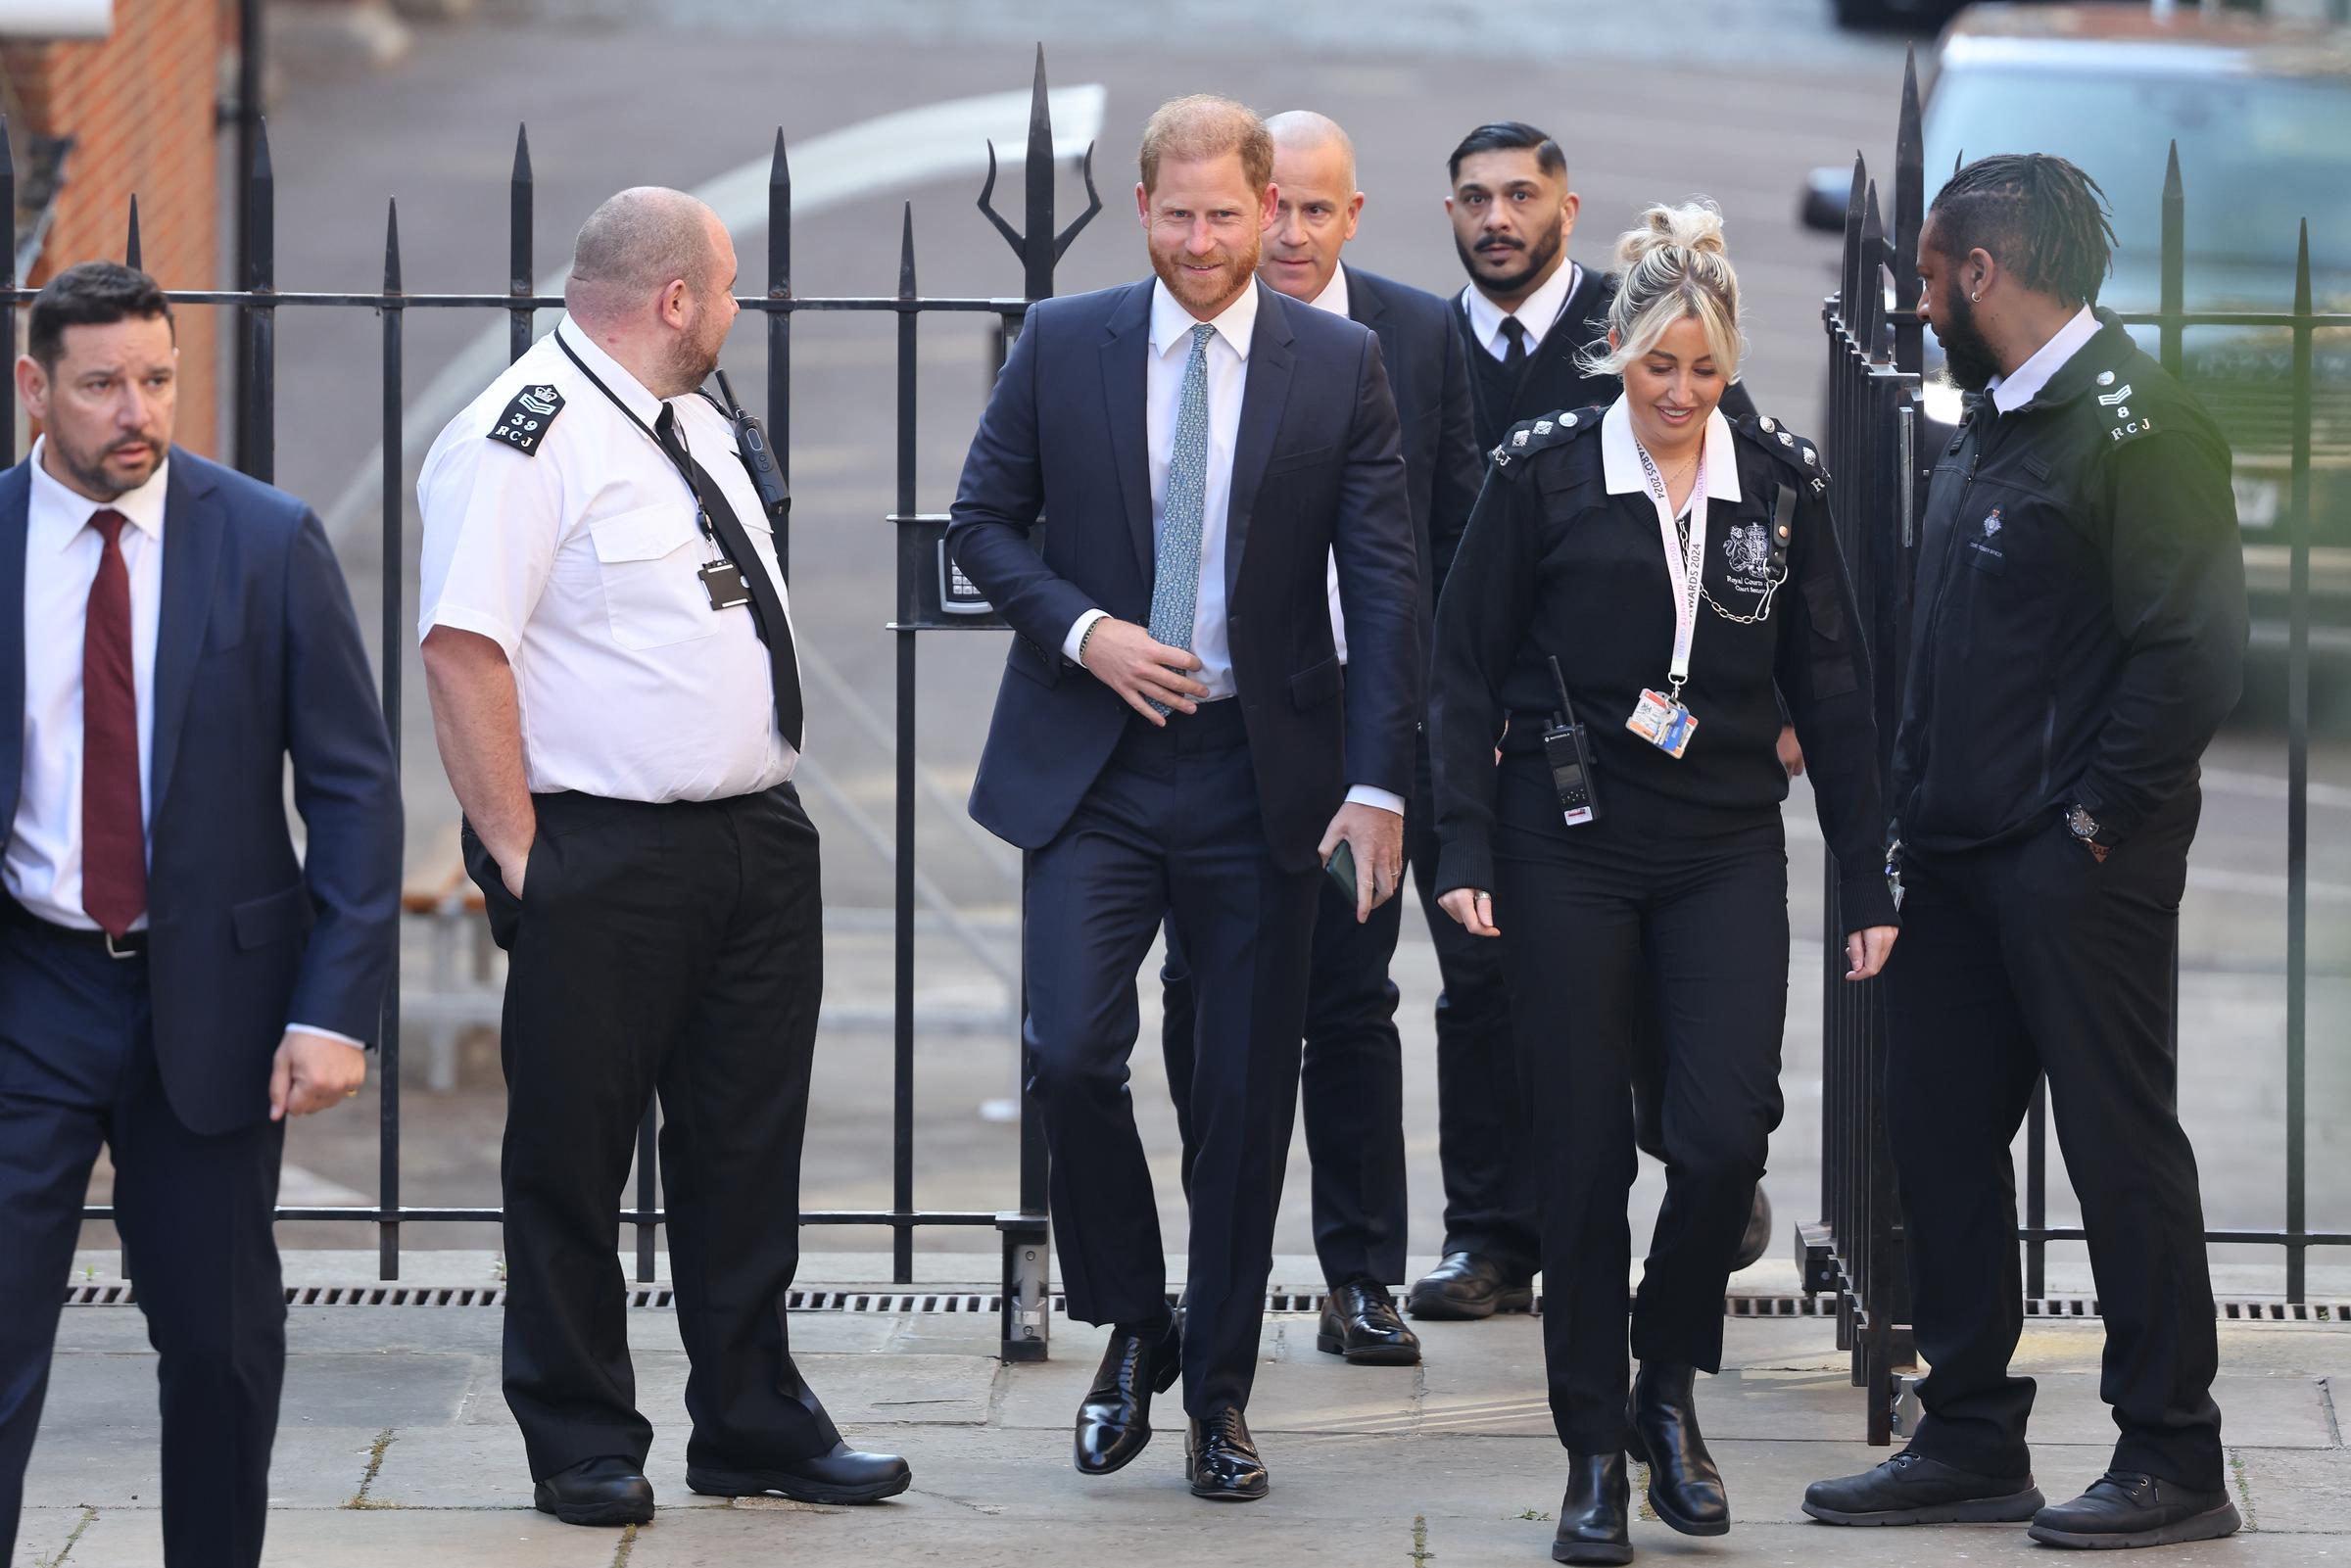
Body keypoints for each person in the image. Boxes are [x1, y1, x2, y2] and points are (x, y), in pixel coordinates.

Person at [949, 95, 1420, 1502]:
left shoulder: (1339, 366)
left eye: (1227, 214)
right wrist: (1086, 629)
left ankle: (1217, 1394)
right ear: (1140, 207)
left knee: (1236, 1098)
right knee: (1073, 1055)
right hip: (1093, 762)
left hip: (1256, 774)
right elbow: (981, 523)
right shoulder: (1063, 341)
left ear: (1269, 205)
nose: (1203, 241)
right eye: (1177, 214)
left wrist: (1381, 781)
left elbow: (1391, 587)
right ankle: (1134, 1319)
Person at [417, 187, 907, 1529]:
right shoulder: (523, 436)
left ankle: (750, 1417)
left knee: (747, 1147)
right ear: (675, 298)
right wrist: (522, 854)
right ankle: (579, 1432)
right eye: (732, 286)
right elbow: (464, 650)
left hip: (754, 833)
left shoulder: (686, 411)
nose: (741, 308)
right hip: (605, 848)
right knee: (573, 1158)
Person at [1430, 204, 1897, 1564]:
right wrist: (1461, 846)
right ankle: (1593, 1456)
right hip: (1565, 842)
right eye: (1657, 370)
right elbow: (1460, 674)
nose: (1683, 396)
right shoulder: (1543, 479)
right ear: (1616, 359)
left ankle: (1666, 1386)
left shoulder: (1780, 483)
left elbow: (1840, 691)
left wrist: (1867, 877)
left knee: (1718, 1137)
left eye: (1705, 371)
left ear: (1730, 360)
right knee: (1578, 1162)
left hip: (1722, 848)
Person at [1803, 154, 2247, 1551]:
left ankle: (2175, 1453)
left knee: (2119, 1149)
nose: (1917, 302)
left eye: (1928, 278)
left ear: (1981, 274)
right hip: (1953, 857)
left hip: (2076, 864)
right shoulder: (1994, 417)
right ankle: (1973, 1437)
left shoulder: (2140, 423)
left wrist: (2092, 827)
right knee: (1935, 1140)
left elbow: (2190, 654)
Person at [0, 261, 402, 1568]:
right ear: (34, 387)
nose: (138, 411)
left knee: (222, 1344)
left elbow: (352, 790)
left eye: (158, 380)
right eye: (104, 384)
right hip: (27, 991)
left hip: (216, 1002)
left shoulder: (264, 539)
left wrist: (335, 1009)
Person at [1414, 122, 1777, 1325]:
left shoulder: (1655, 331)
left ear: (1568, 210)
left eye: (1522, 194)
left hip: (1640, 761)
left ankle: (1700, 1161)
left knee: (1668, 1013)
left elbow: (1749, 551)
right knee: (1480, 986)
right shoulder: (1417, 342)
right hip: (1500, 746)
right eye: (1476, 197)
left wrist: (1761, 709)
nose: (1498, 217)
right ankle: (1492, 1232)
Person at [1156, 108, 1482, 1369]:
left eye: (1312, 209)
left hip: (1357, 722)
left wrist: (1419, 730)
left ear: (1353, 216)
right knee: (1203, 1000)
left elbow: (1452, 536)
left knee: (1350, 1000)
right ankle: (1214, 1264)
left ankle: (1362, 1273)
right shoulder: (1197, 335)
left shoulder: (1415, 332)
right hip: (1226, 721)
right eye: (1268, 204)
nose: (1285, 233)